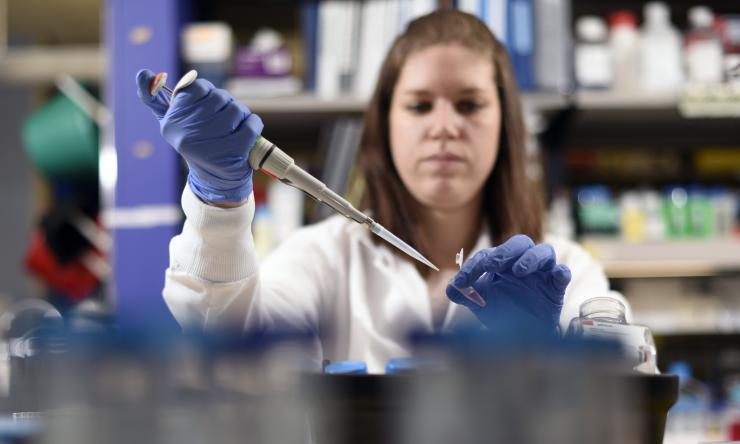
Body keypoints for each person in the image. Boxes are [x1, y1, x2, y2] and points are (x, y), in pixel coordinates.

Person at [136, 10, 630, 372]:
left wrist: (549, 357)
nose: (444, 127)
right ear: (383, 127)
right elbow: (231, 348)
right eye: (419, 105)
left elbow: (628, 409)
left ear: (506, 126)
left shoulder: (562, 274)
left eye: (469, 104)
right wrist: (219, 200)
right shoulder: (320, 259)